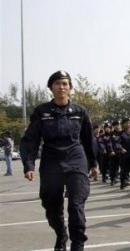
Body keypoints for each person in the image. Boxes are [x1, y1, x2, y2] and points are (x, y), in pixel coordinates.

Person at [20, 71, 98, 251]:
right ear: (51, 88)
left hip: (75, 158)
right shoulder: (42, 111)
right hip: (51, 160)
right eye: (57, 84)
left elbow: (88, 139)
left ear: (70, 88)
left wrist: (93, 163)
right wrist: (29, 165)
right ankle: (61, 234)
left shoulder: (80, 112)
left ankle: (78, 244)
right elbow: (31, 139)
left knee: (76, 204)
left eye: (65, 84)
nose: (61, 87)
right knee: (51, 204)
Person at [119, 118, 130, 190]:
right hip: (124, 155)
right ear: (123, 124)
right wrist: (121, 148)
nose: (128, 124)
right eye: (126, 123)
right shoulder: (120, 133)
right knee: (124, 170)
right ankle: (122, 183)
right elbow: (117, 143)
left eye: (129, 123)